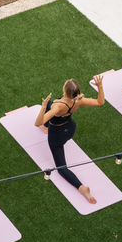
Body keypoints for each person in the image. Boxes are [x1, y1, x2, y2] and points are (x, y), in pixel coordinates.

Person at [34, 75, 105, 204]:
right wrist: (99, 86)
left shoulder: (58, 106)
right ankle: (46, 128)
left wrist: (44, 107)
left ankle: (81, 188)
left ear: (64, 90)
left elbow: (37, 122)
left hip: (57, 135)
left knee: (61, 168)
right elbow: (100, 102)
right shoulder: (78, 100)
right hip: (70, 129)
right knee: (51, 105)